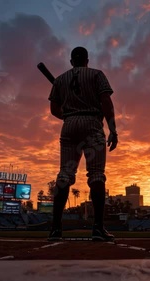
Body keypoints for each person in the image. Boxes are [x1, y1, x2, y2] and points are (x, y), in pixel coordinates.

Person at [47, 46, 118, 241]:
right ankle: (97, 228)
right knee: (96, 174)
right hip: (93, 124)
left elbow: (54, 108)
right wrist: (112, 128)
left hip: (69, 125)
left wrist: (69, 116)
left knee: (64, 174)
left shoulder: (61, 79)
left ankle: (55, 229)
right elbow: (106, 103)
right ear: (87, 60)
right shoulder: (96, 74)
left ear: (71, 62)